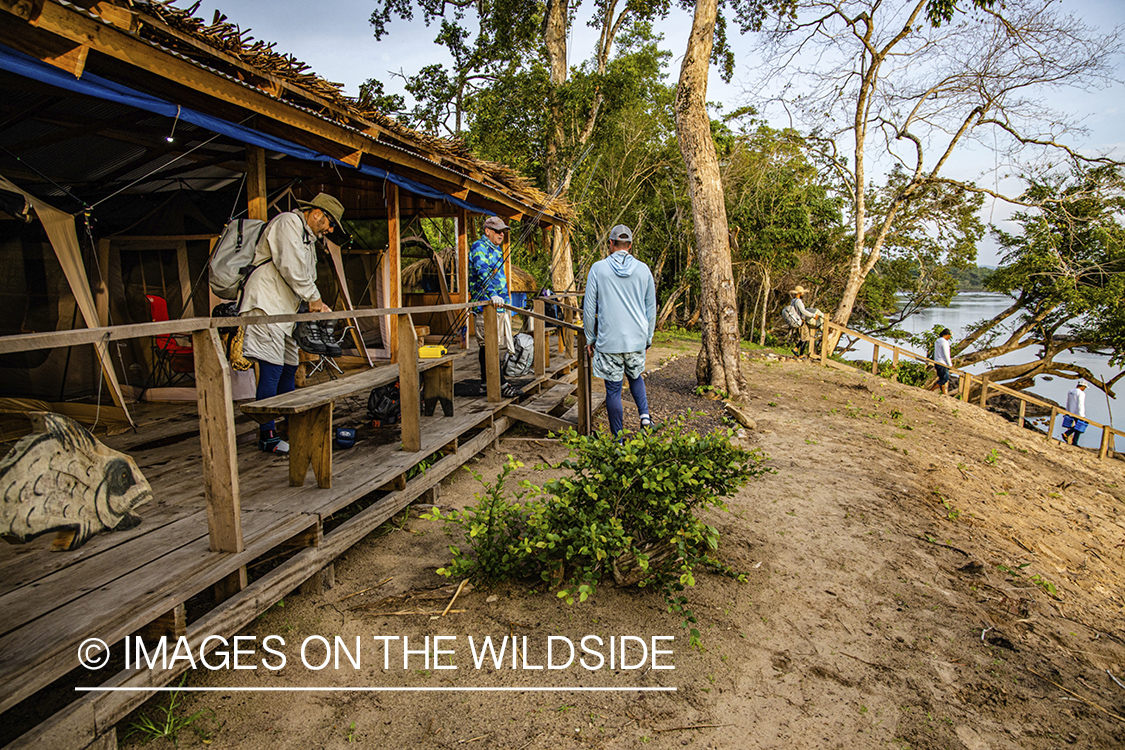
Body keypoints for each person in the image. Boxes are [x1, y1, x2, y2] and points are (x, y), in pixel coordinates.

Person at [239, 193, 344, 454]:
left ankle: (290, 428)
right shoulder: (287, 223)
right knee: (272, 370)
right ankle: (267, 435)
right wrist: (315, 299)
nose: (329, 230)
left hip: (286, 313)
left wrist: (314, 302)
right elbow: (292, 268)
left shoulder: (308, 238)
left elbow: (306, 275)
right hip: (266, 307)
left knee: (290, 367)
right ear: (317, 213)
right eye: (330, 223)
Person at [583, 224, 656, 437]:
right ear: (630, 246)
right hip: (636, 339)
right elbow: (651, 307)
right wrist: (648, 337)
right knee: (635, 375)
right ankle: (645, 418)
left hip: (609, 341)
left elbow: (589, 308)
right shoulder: (644, 270)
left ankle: (618, 439)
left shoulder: (598, 268)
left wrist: (590, 337)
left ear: (611, 244)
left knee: (613, 389)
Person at [469, 215, 521, 398]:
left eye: (503, 231)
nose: (501, 234)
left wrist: (505, 298)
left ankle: (486, 383)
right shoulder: (479, 247)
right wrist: (492, 294)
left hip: (499, 306)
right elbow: (483, 271)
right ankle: (501, 384)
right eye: (498, 231)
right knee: (487, 345)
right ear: (487, 231)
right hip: (485, 306)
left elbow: (500, 278)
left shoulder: (497, 251)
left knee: (492, 346)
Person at [788, 285, 823, 359]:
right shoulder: (798, 301)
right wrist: (813, 315)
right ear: (800, 293)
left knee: (803, 337)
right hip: (800, 320)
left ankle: (796, 349)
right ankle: (800, 354)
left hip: (795, 320)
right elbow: (803, 311)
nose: (803, 294)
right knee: (806, 338)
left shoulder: (793, 301)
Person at [1062, 380, 1089, 445]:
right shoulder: (1081, 393)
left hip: (1071, 411)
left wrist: (1067, 411)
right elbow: (1080, 404)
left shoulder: (1070, 391)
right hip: (1077, 412)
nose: (1084, 389)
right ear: (1082, 386)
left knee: (1078, 427)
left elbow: (1068, 402)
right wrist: (1081, 415)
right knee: (1080, 426)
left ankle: (1074, 442)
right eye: (1085, 387)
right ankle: (1068, 434)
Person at [930, 328, 954, 396]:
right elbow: (946, 354)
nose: (950, 337)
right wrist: (950, 365)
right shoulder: (944, 342)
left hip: (937, 362)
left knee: (941, 379)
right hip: (943, 363)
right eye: (949, 335)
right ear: (946, 335)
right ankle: (931, 390)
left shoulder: (937, 341)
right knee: (945, 379)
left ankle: (944, 393)